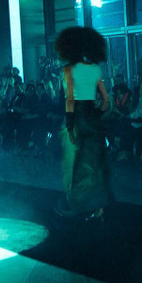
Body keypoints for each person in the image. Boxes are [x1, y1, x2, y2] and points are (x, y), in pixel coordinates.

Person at [57, 26, 112, 218]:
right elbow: (106, 101)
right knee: (94, 162)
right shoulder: (95, 69)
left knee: (73, 164)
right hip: (92, 117)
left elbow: (70, 99)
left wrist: (69, 125)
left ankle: (75, 207)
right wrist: (96, 114)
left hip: (77, 118)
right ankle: (99, 208)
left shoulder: (68, 70)